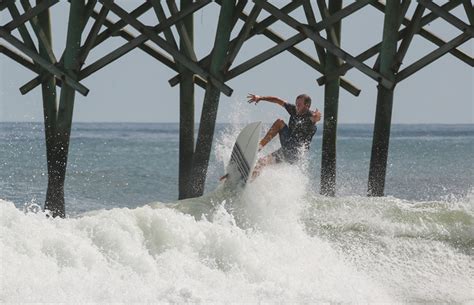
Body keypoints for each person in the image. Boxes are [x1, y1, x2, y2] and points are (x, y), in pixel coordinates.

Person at [247, 93, 321, 177]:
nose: (297, 106)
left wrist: (316, 118)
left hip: (295, 152)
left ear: (307, 106)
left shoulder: (310, 117)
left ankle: (258, 147)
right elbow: (277, 100)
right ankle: (247, 182)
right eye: (296, 103)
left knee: (279, 123)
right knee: (261, 162)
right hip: (286, 150)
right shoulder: (294, 110)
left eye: (299, 104)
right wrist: (260, 98)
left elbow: (315, 119)